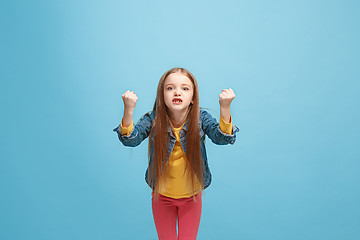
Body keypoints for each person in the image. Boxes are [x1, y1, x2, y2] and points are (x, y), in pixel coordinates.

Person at [113, 67, 239, 240]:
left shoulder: (201, 118)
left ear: (193, 97)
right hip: (161, 198)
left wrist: (225, 108)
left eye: (185, 88)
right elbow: (131, 139)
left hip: (191, 199)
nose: (177, 92)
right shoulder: (153, 119)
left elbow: (222, 138)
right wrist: (128, 109)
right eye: (170, 88)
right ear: (162, 95)